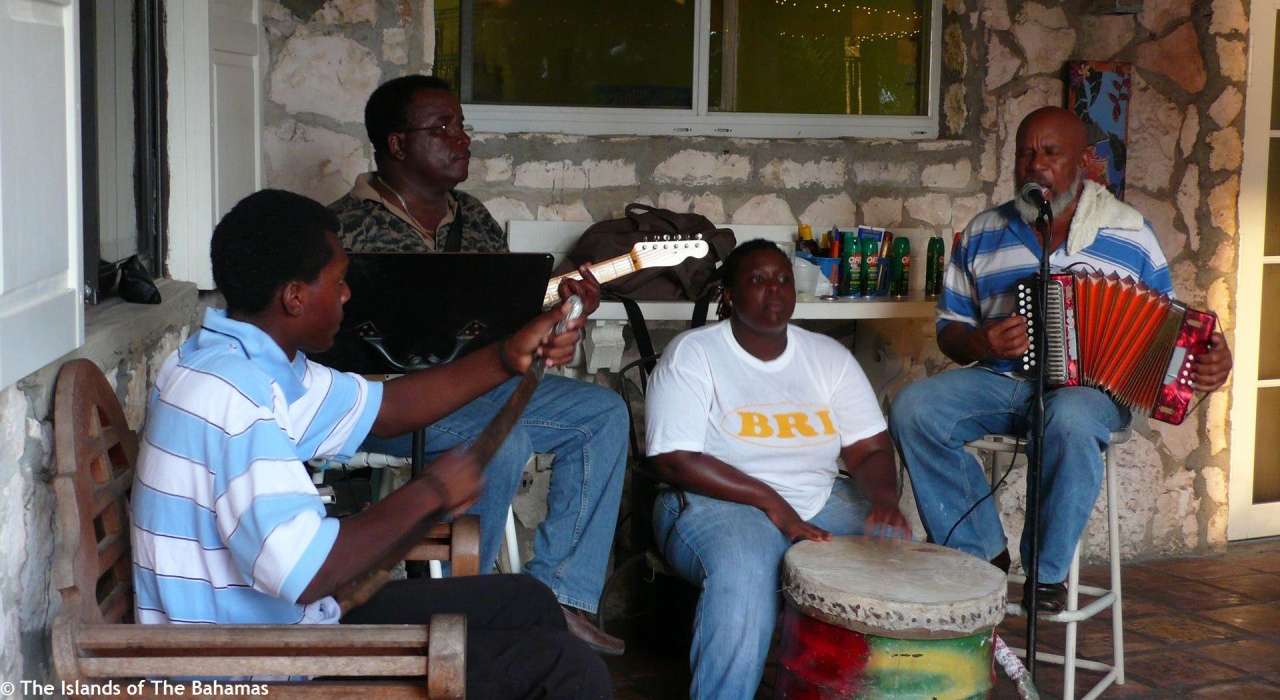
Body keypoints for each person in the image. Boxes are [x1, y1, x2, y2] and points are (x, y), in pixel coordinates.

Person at [130, 189, 613, 699]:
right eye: (338, 281)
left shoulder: (229, 360)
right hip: (256, 667)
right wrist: (429, 493)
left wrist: (507, 356)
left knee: (527, 601)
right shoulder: (236, 399)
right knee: (569, 671)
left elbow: (387, 409)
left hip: (285, 629)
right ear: (294, 297)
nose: (346, 295)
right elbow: (305, 572)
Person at [889, 106, 1234, 614]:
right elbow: (950, 331)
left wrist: (1210, 362)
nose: (1036, 165)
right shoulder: (983, 232)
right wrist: (982, 343)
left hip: (1091, 394)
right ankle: (980, 553)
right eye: (1025, 153)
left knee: (1068, 416)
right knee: (913, 408)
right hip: (1003, 382)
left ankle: (1046, 575)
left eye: (1051, 153)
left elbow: (1171, 330)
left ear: (1084, 163)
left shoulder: (1130, 233)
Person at [328, 75, 628, 654]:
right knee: (503, 442)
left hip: (480, 389)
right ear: (397, 143)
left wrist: (565, 313)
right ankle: (456, 619)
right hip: (381, 404)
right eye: (443, 128)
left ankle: (555, 599)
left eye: (462, 125)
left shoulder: (475, 219)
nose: (462, 138)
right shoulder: (342, 227)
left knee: (603, 414)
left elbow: (508, 324)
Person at [644, 239, 911, 700]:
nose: (774, 290)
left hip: (818, 499)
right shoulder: (695, 353)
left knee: (892, 557)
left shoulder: (827, 357)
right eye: (758, 280)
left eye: (783, 279)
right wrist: (774, 504)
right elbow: (674, 458)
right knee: (745, 572)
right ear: (729, 295)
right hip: (715, 502)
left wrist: (886, 501)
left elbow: (869, 448)